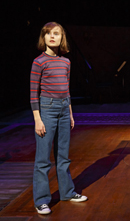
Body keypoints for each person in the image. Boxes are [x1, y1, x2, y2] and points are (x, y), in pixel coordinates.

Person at [30, 22, 88, 215]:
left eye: (56, 33)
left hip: (64, 109)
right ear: (43, 38)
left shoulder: (66, 62)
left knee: (63, 156)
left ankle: (67, 192)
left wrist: (70, 113)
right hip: (46, 109)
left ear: (62, 38)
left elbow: (67, 89)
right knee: (43, 159)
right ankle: (41, 200)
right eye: (48, 34)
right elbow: (33, 93)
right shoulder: (39, 62)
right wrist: (37, 119)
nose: (52, 37)